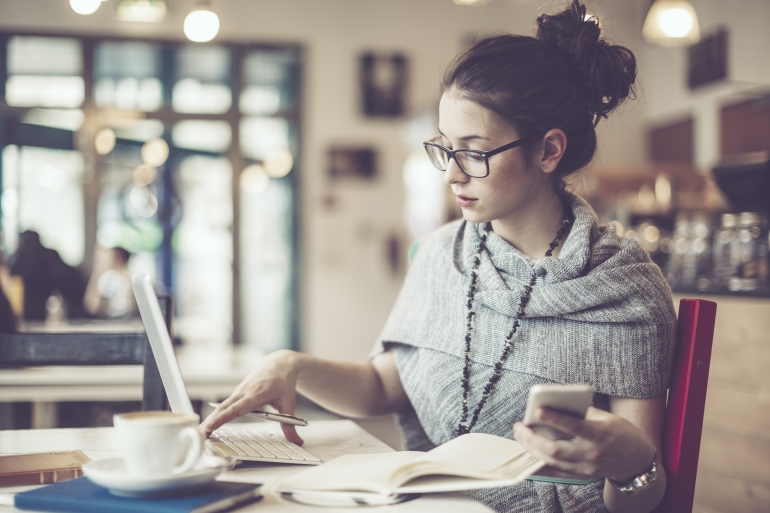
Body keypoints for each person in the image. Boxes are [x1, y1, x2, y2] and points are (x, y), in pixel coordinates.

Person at [202, 2, 676, 512]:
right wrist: (290, 364)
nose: (451, 174)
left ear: (548, 151)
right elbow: (384, 386)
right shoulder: (441, 254)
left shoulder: (626, 290)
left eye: (474, 152)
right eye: (445, 149)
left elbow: (641, 501)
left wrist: (633, 466)